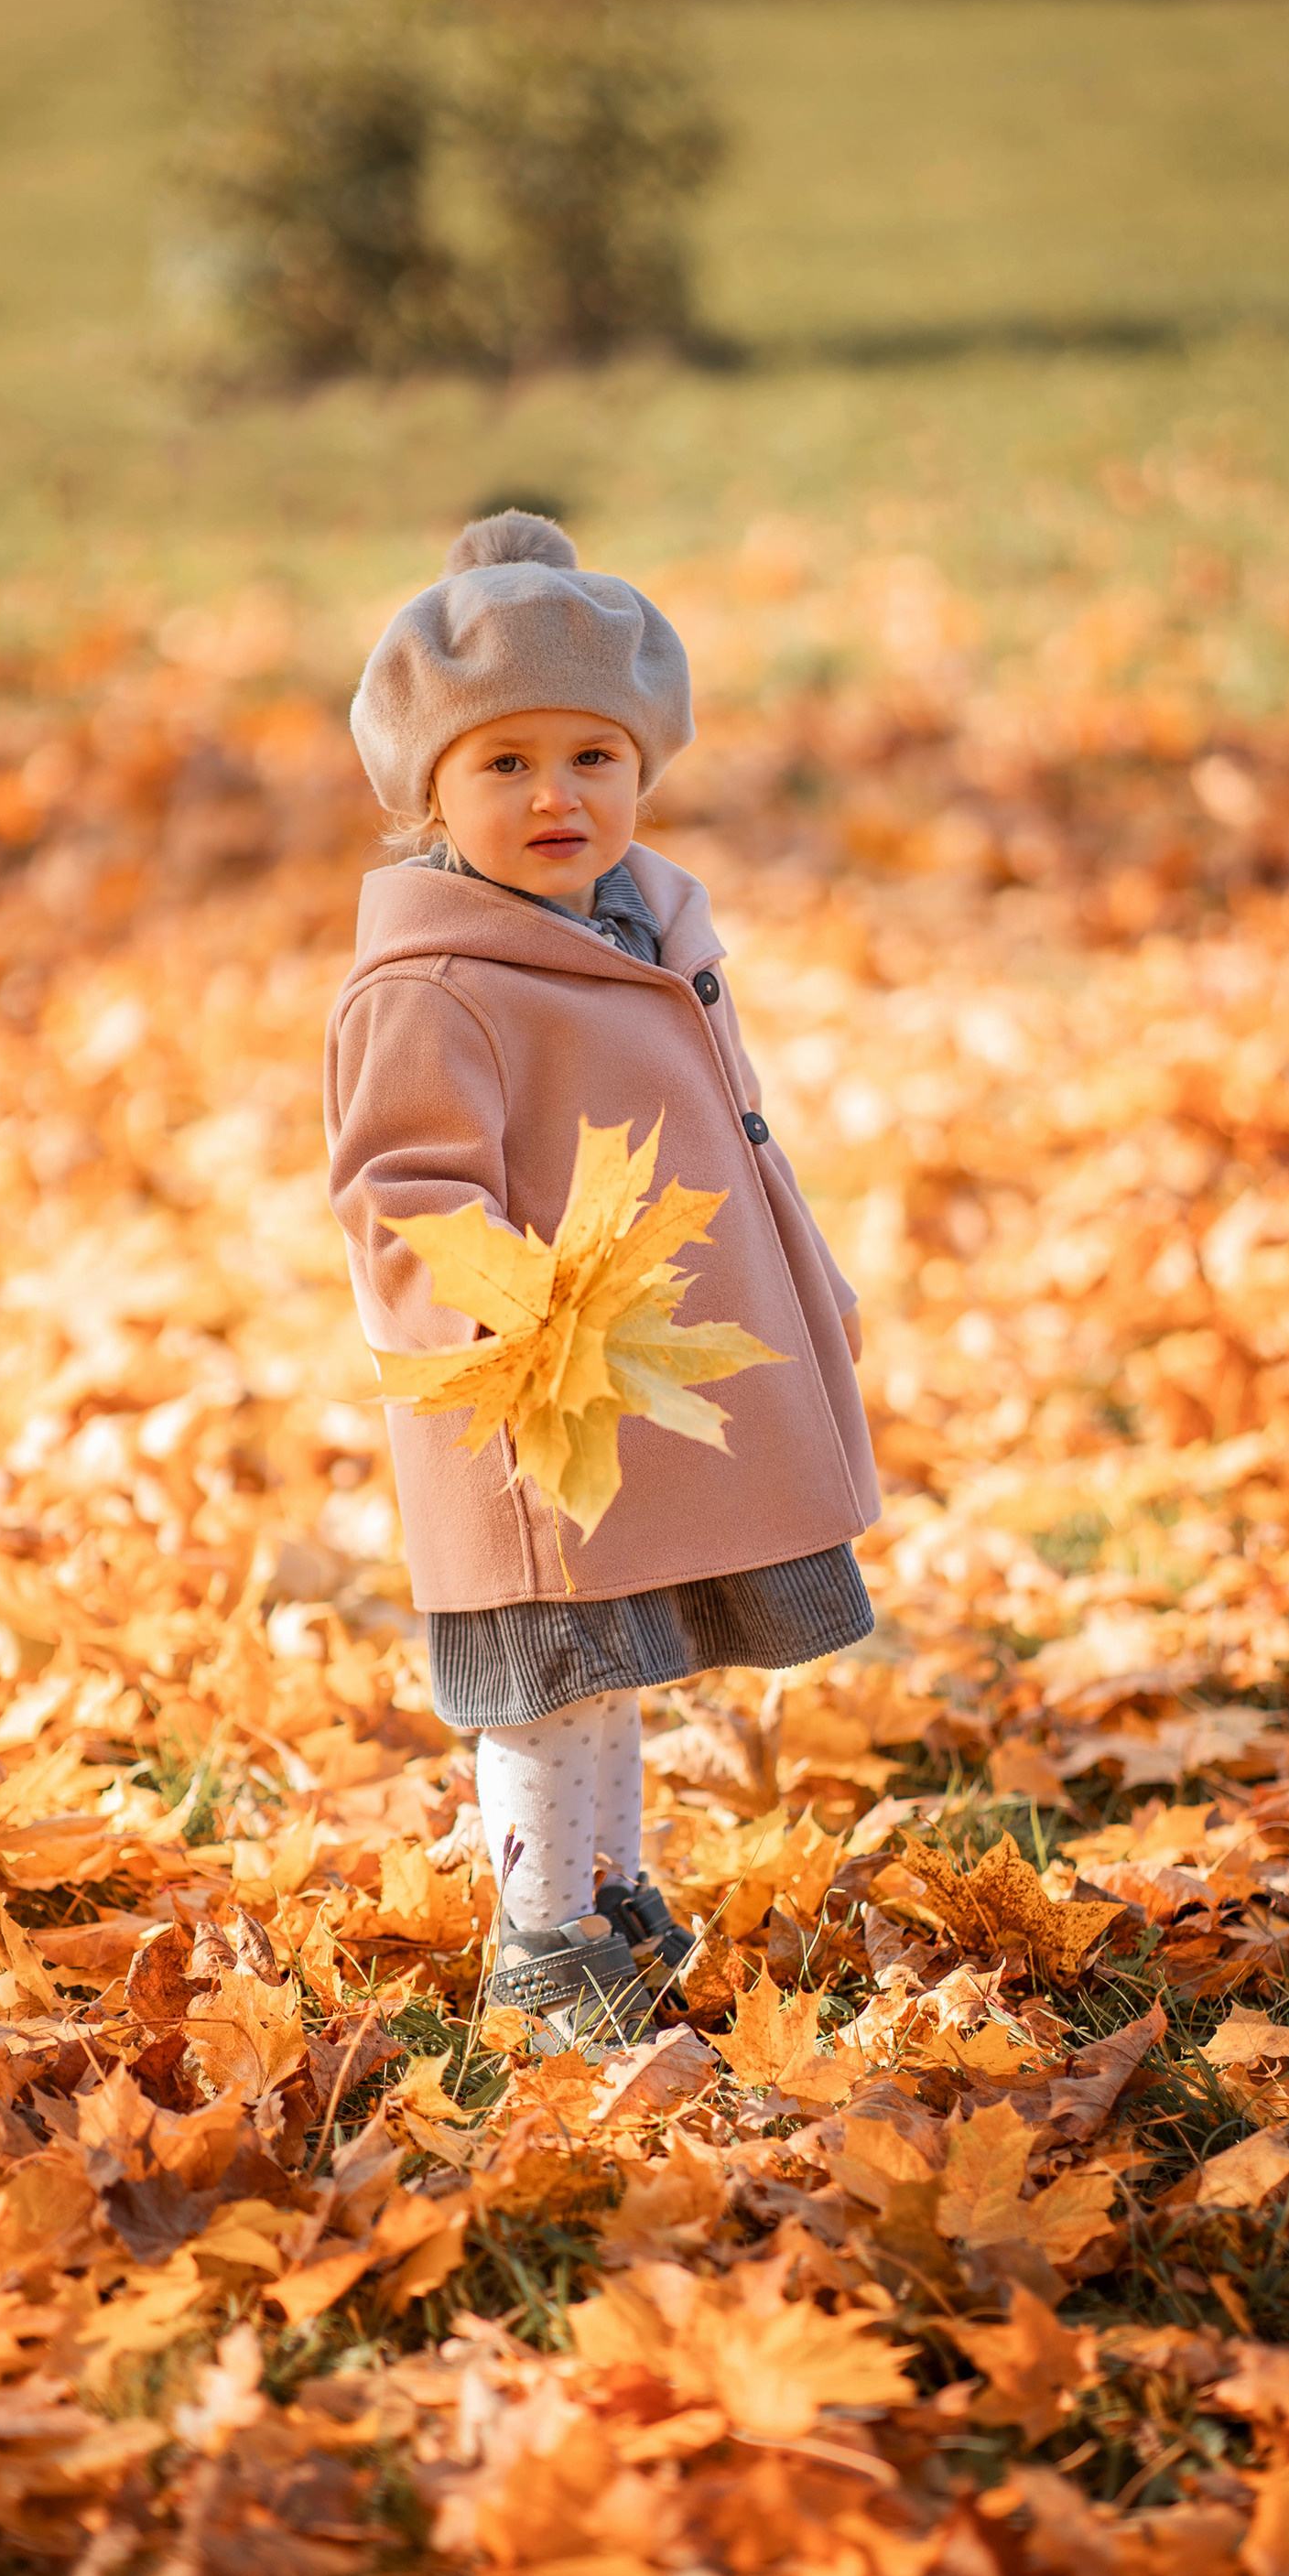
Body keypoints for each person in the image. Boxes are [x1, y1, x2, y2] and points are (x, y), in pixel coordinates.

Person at [326, 511, 878, 2052]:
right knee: (549, 1674)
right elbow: (400, 1190)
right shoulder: (435, 984)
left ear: (645, 770)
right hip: (534, 1394)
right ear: (429, 795)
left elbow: (743, 1137)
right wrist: (491, 1314)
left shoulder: (646, 931)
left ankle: (611, 1892)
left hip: (657, 1376)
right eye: (504, 765)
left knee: (616, 1661)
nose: (556, 795)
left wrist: (809, 1276)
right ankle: (541, 1944)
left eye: (593, 758)